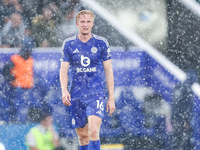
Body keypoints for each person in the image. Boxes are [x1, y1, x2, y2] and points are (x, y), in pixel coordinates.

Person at [60, 10, 115, 150]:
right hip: (76, 95)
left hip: (95, 94)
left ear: (92, 24)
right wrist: (64, 90)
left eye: (88, 22)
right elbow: (64, 69)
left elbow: (108, 71)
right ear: (77, 24)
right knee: (83, 136)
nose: (85, 25)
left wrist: (111, 98)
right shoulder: (69, 44)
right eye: (82, 22)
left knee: (93, 131)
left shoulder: (101, 43)